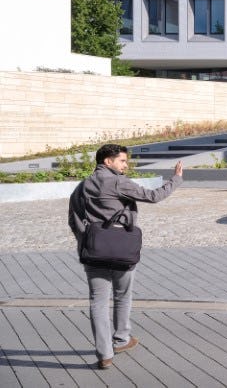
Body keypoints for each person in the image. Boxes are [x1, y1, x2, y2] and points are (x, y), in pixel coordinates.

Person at [68, 144, 183, 370]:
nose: (126, 165)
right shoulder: (118, 182)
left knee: (98, 302)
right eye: (122, 161)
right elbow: (154, 196)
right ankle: (121, 339)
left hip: (94, 252)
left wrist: (86, 240)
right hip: (122, 249)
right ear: (107, 161)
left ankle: (104, 354)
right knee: (122, 296)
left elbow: (73, 218)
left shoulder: (83, 186)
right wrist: (176, 179)